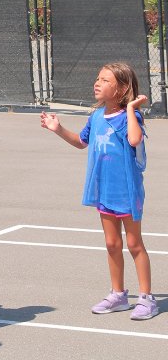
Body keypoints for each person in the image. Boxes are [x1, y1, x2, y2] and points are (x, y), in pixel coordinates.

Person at [41, 62, 157, 320]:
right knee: (111, 244)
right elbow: (82, 142)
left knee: (134, 243)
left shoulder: (131, 116)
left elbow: (135, 140)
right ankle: (118, 294)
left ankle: (147, 299)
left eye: (105, 80)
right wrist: (57, 129)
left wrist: (130, 108)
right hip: (103, 190)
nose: (97, 83)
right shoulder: (95, 117)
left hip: (126, 190)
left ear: (122, 88)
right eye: (98, 78)